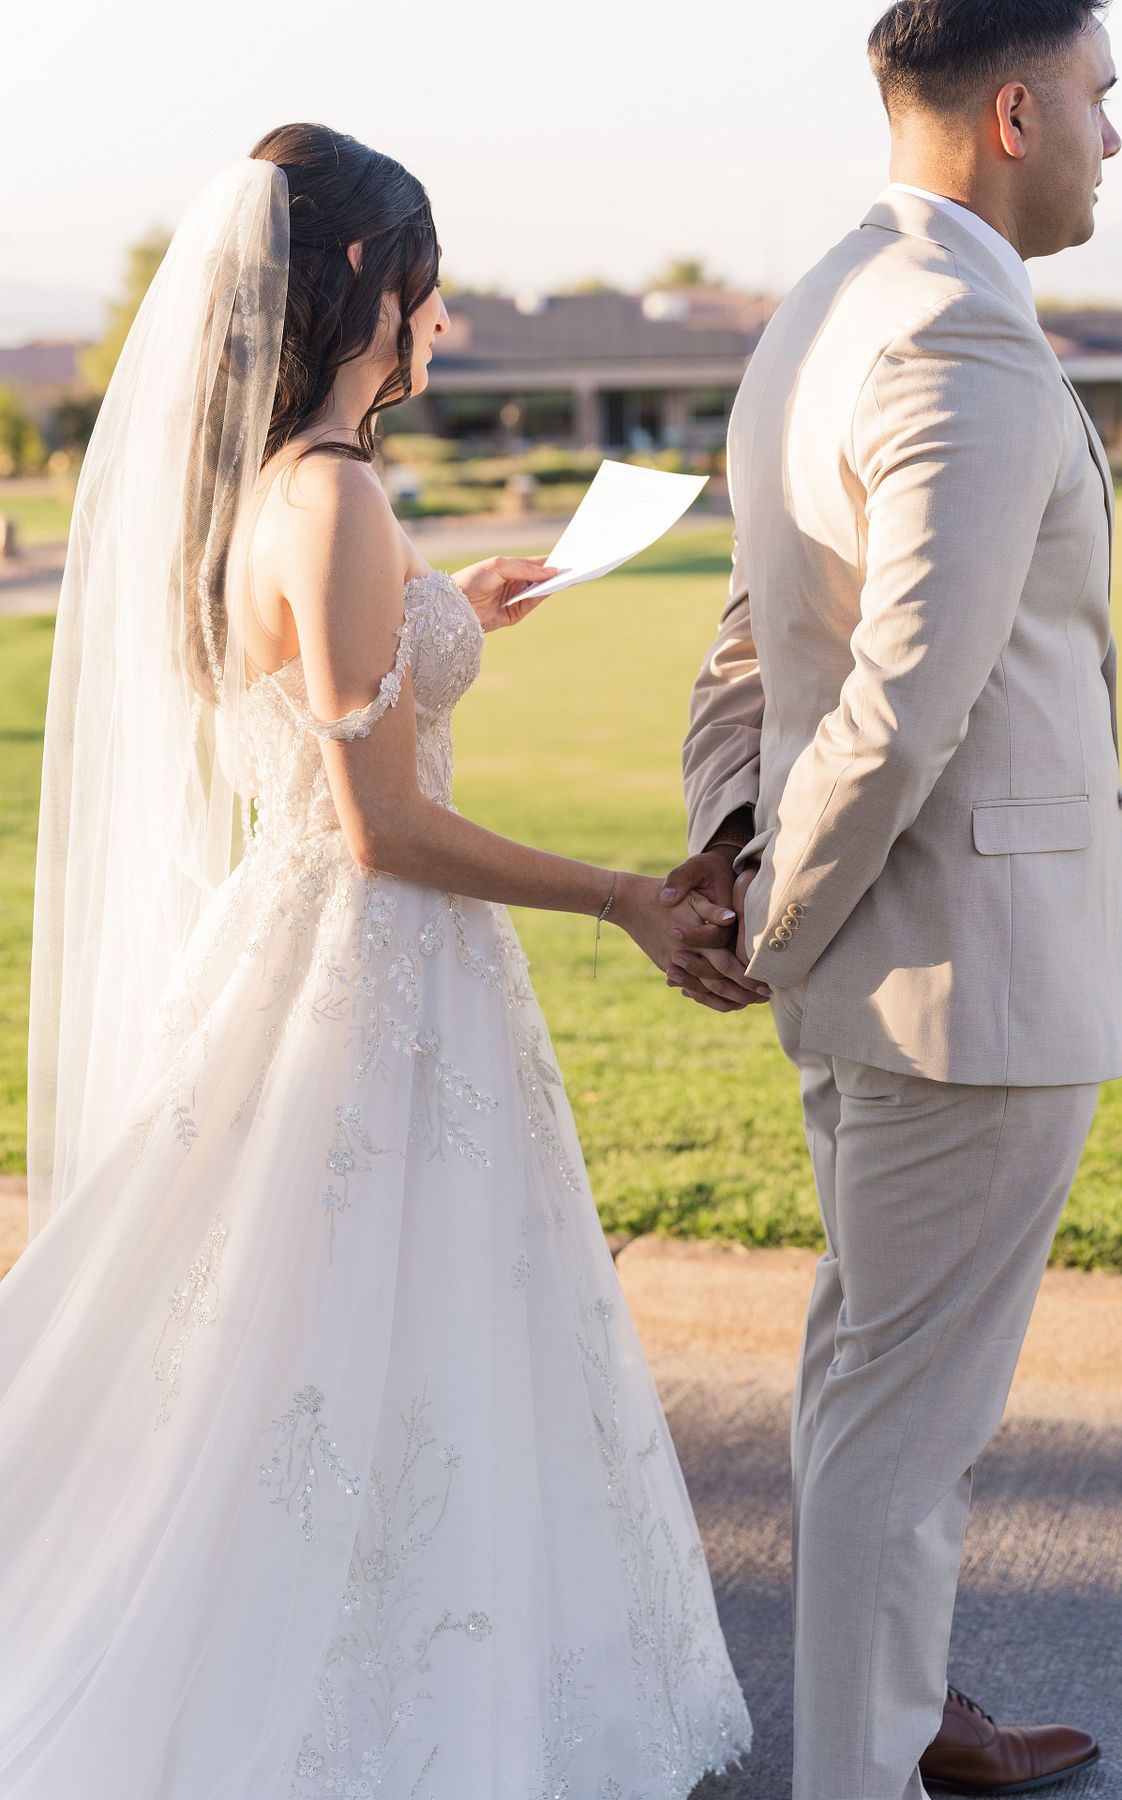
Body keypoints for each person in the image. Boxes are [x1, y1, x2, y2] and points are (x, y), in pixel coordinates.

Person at [0, 124, 751, 1797]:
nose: (442, 321)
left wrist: (452, 606)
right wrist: (624, 897)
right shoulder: (332, 493)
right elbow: (383, 827)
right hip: (373, 964)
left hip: (329, 959)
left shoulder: (285, 484)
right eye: (430, 285)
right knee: (367, 1324)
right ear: (361, 278)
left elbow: (319, 684)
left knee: (335, 1332)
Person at [666, 2, 1122, 1795]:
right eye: (1098, 100)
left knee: (868, 1374)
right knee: (901, 1422)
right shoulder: (961, 333)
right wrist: (774, 913)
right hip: (966, 980)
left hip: (883, 964)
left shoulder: (820, 306)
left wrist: (736, 846)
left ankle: (910, 1715)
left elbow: (748, 643)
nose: (1114, 140)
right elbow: (905, 701)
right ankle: (860, 1769)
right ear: (1014, 111)